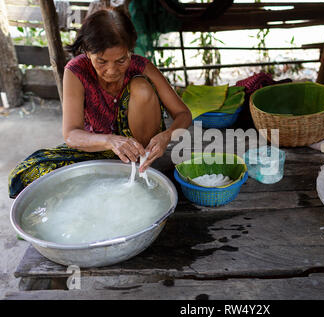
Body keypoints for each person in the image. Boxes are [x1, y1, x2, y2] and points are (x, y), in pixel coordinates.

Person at [8, 8, 192, 199]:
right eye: (102, 61)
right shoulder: (76, 71)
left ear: (130, 51)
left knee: (142, 87)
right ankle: (115, 169)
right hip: (99, 146)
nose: (112, 70)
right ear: (87, 52)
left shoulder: (142, 66)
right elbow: (71, 134)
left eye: (121, 60)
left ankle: (139, 166)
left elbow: (183, 114)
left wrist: (167, 136)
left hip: (140, 150)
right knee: (26, 173)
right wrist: (110, 140)